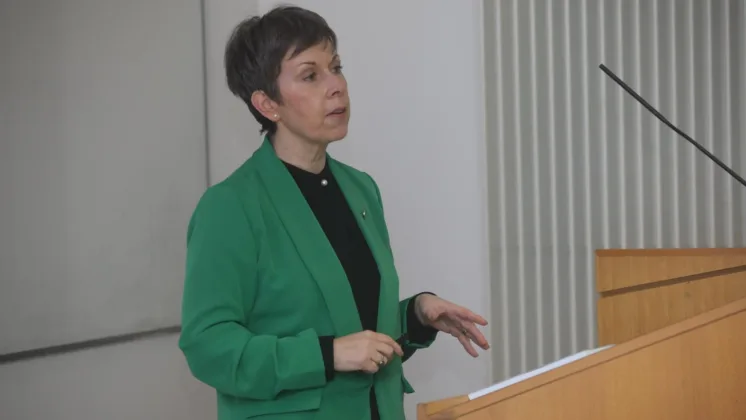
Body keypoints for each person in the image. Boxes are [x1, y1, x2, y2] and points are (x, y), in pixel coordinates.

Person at [178, 5, 490, 420]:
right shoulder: (229, 207)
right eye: (311, 75)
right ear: (267, 103)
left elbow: (352, 326)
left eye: (336, 67)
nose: (336, 86)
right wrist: (326, 354)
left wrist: (415, 315)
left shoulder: (361, 188)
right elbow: (208, 347)